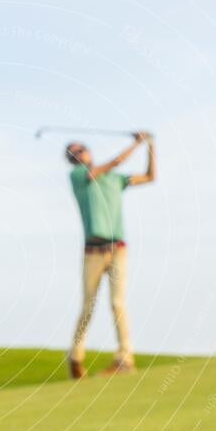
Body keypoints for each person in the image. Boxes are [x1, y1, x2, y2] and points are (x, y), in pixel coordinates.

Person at [66, 131, 156, 378]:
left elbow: (150, 177)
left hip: (117, 250)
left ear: (88, 151)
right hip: (92, 252)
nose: (78, 153)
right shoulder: (78, 176)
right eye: (73, 153)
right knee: (88, 306)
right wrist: (137, 142)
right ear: (72, 160)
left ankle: (125, 359)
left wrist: (151, 147)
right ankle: (75, 358)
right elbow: (114, 163)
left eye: (80, 148)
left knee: (117, 304)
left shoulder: (114, 179)